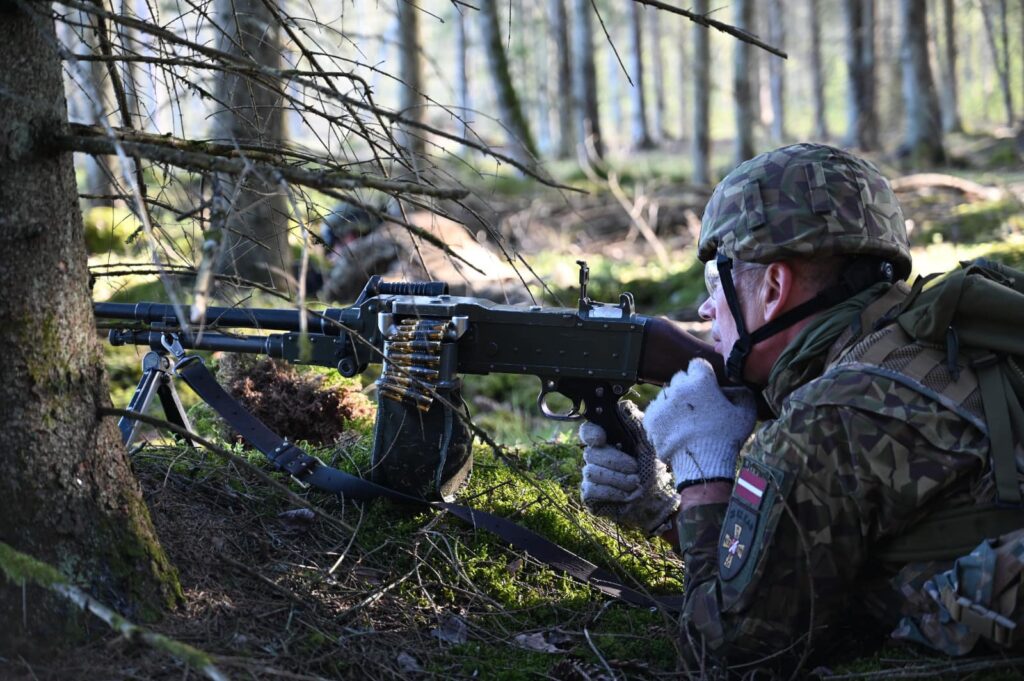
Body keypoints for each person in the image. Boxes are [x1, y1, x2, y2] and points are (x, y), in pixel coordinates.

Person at [579, 143, 1023, 668]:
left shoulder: (827, 421)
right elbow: (810, 555)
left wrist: (701, 474)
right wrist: (666, 516)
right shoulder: (951, 334)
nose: (704, 309)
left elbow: (725, 653)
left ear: (773, 287)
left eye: (714, 284)